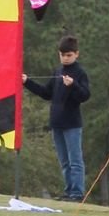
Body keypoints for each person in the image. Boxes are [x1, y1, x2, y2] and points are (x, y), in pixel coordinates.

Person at [23, 36, 90, 201]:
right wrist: (27, 82)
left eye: (69, 55)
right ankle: (68, 191)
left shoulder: (80, 73)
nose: (65, 58)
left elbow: (85, 95)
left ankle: (77, 193)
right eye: (62, 55)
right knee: (64, 161)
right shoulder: (58, 71)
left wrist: (73, 85)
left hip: (72, 124)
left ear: (76, 54)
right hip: (57, 123)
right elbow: (46, 93)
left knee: (75, 161)